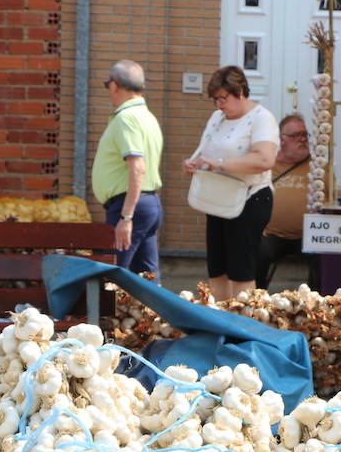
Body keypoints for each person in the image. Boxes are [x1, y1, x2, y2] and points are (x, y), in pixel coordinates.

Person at [184, 66, 279, 301]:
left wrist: (219, 163)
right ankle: (222, 321)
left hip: (250, 197)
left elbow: (265, 159)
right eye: (215, 99)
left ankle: (245, 323)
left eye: (223, 98)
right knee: (218, 268)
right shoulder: (217, 117)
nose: (219, 105)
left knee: (241, 269)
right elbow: (207, 150)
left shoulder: (261, 118)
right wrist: (196, 163)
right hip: (219, 198)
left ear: (240, 91)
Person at [92, 60, 164, 281]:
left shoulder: (126, 119)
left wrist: (126, 216)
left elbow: (137, 167)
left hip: (129, 206)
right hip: (148, 204)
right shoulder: (148, 117)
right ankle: (155, 316)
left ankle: (103, 317)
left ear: (114, 86)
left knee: (111, 277)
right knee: (147, 280)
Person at [255, 113, 317, 289]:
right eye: (296, 135)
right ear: (281, 139)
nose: (302, 139)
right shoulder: (268, 164)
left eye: (304, 134)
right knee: (256, 249)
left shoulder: (318, 166)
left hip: (310, 235)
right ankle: (255, 302)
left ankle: (318, 305)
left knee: (325, 255)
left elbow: (332, 197)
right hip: (273, 234)